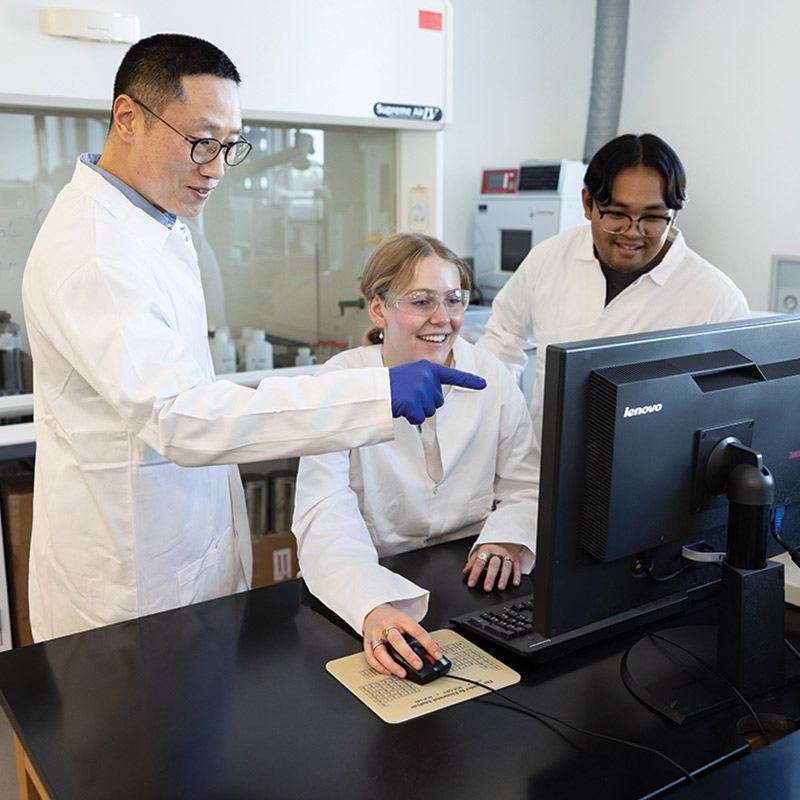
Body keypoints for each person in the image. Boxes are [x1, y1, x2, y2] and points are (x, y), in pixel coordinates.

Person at [21, 34, 485, 641]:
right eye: (201, 142)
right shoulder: (95, 253)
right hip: (129, 587)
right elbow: (181, 415)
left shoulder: (150, 224)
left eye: (229, 146)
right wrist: (377, 394)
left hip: (180, 559)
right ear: (128, 118)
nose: (216, 168)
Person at [292, 233, 538, 679]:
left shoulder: (489, 375)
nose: (442, 319)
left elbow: (526, 483)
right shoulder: (339, 381)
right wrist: (372, 608)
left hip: (473, 580)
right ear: (378, 308)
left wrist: (507, 538)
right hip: (366, 582)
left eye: (453, 300)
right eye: (421, 301)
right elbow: (323, 516)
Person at [477, 133, 750, 444]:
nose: (633, 232)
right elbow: (502, 341)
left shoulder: (716, 299)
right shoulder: (548, 259)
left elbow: (731, 413)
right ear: (587, 203)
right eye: (617, 214)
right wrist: (491, 427)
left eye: (652, 217)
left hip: (651, 481)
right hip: (545, 470)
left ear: (673, 215)